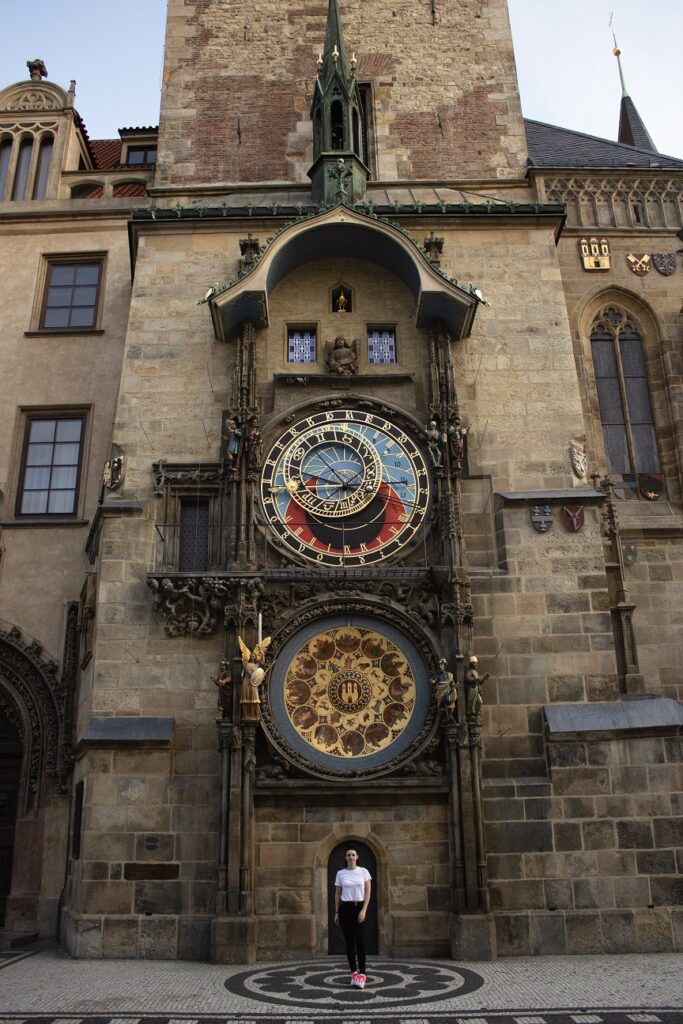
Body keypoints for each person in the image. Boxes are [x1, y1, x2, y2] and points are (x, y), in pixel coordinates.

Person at [334, 848, 372, 989]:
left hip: (359, 907)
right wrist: (337, 912)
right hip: (345, 908)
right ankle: (354, 973)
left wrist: (364, 910)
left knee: (361, 941)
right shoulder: (341, 873)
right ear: (345, 857)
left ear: (357, 857)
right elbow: (337, 894)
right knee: (349, 942)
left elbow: (368, 892)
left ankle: (362, 973)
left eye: (353, 855)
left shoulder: (363, 871)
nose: (351, 857)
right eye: (348, 855)